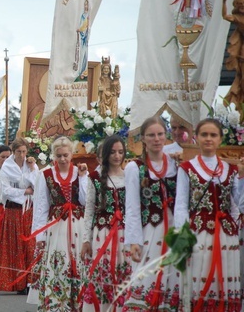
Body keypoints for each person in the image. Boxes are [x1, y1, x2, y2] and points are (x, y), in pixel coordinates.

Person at [174, 119, 242, 310]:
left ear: (220, 139)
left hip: (226, 236)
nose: (208, 139)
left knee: (223, 284)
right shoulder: (186, 168)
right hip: (198, 233)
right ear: (196, 137)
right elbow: (181, 205)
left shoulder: (231, 169)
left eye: (213, 135)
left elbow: (239, 204)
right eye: (204, 134)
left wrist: (243, 177)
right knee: (199, 278)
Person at [123, 116, 180, 310]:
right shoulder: (135, 168)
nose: (156, 139)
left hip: (174, 232)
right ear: (143, 139)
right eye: (151, 135)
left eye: (160, 134)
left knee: (173, 279)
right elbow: (131, 206)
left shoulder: (177, 164)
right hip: (149, 231)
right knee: (145, 277)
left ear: (166, 136)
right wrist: (133, 242)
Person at [27, 137, 88, 309]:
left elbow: (85, 201)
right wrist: (39, 235)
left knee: (78, 262)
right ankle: (57, 303)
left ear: (71, 154)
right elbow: (41, 206)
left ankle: (77, 302)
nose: (62, 159)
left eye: (65, 155)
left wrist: (83, 178)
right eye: (59, 155)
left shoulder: (80, 172)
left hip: (78, 225)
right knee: (58, 262)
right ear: (54, 156)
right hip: (56, 226)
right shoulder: (45, 174)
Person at [81, 135, 131, 311]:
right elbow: (89, 210)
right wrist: (86, 240)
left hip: (125, 234)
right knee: (103, 274)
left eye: (120, 152)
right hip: (102, 235)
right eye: (112, 152)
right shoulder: (95, 177)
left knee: (124, 272)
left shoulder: (129, 176)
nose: (117, 156)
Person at [0, 137, 38, 295]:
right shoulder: (7, 166)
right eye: (19, 152)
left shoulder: (30, 164)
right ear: (13, 151)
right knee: (16, 246)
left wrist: (32, 168)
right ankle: (17, 282)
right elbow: (5, 190)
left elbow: (37, 184)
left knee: (30, 245)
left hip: (28, 210)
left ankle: (30, 280)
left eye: (24, 151)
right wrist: (24, 191)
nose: (22, 155)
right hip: (14, 210)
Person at [221, 0, 244, 116]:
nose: (242, 7)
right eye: (240, 5)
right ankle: (240, 108)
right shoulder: (238, 19)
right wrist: (224, 2)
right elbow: (225, 16)